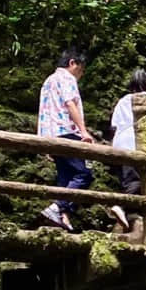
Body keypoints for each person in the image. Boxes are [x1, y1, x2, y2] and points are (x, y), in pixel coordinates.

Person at [38, 47, 94, 232]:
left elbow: (44, 111)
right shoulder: (66, 78)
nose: (81, 74)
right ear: (72, 63)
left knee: (65, 178)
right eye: (81, 69)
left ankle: (63, 218)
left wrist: (45, 144)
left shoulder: (48, 81)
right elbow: (70, 104)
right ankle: (55, 208)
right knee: (84, 174)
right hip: (66, 132)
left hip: (50, 135)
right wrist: (83, 131)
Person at [107, 68, 146, 231]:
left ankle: (129, 211)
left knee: (128, 179)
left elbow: (113, 126)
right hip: (135, 142)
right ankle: (121, 206)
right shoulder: (145, 97)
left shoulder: (122, 100)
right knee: (139, 179)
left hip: (119, 143)